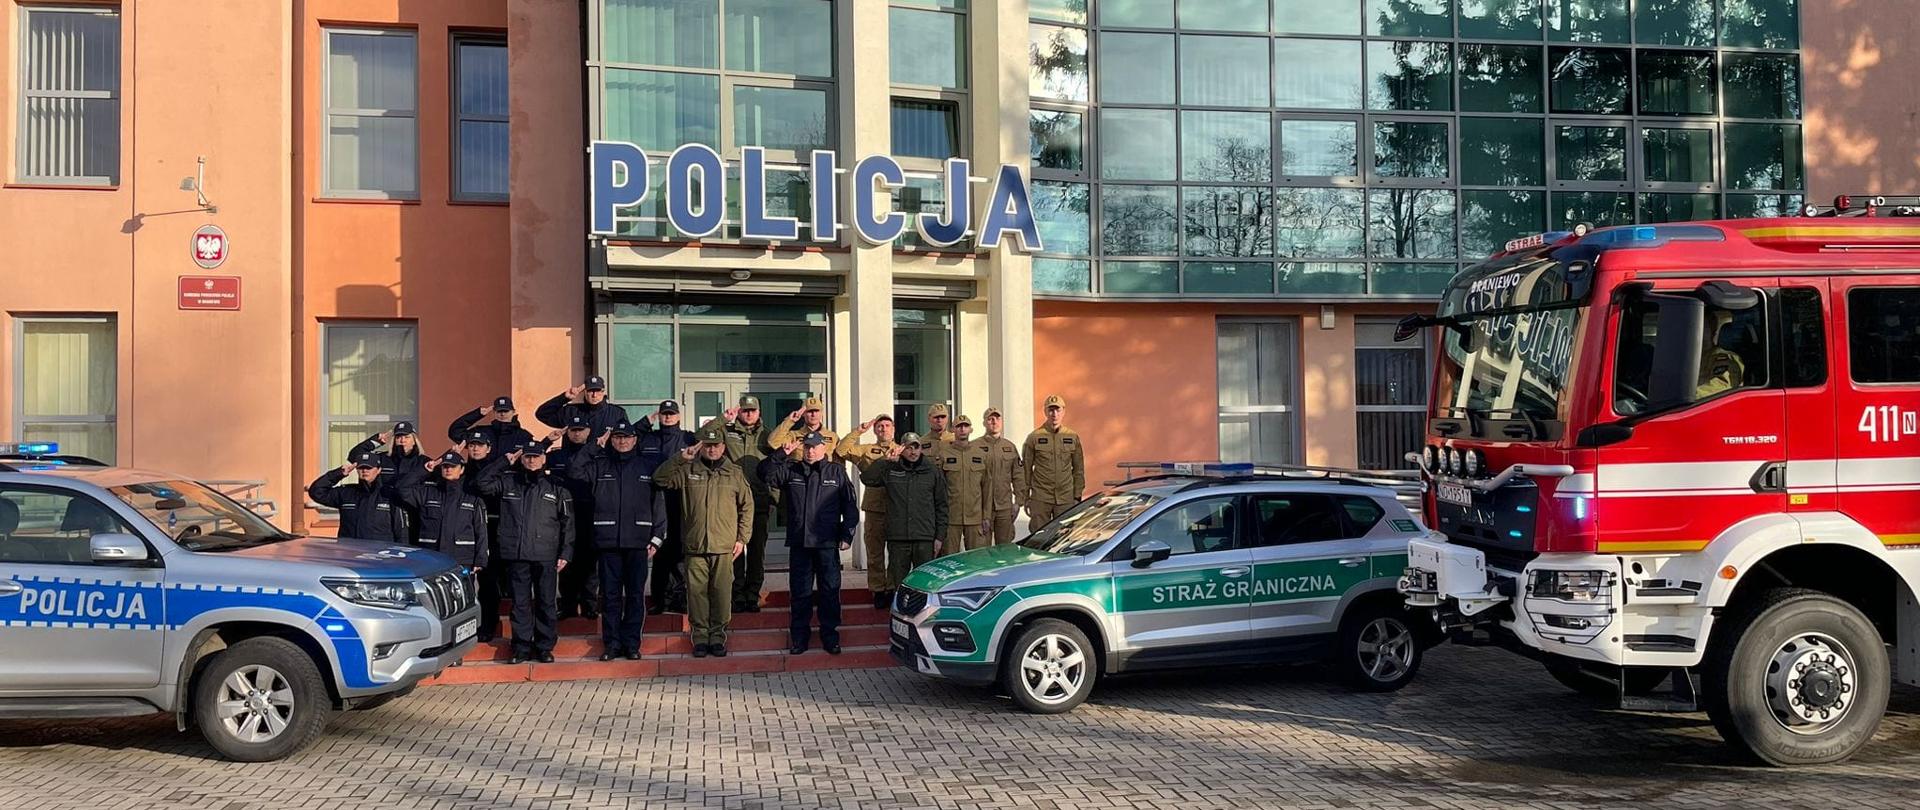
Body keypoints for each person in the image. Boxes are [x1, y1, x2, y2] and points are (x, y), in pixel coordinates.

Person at [566, 419, 669, 661]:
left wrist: (656, 538)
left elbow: (659, 505)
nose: (622, 441)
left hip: (638, 544)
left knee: (634, 596)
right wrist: (594, 445)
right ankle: (611, 644)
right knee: (610, 597)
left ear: (635, 440)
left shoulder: (647, 466)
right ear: (612, 440)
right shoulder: (600, 465)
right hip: (608, 542)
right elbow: (574, 470)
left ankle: (632, 644)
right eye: (618, 437)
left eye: (626, 437)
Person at [654, 426, 753, 658]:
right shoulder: (688, 470)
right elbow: (660, 479)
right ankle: (700, 638)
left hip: (724, 546)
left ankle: (717, 637)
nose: (712, 449)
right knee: (697, 594)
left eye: (716, 445)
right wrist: (681, 457)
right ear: (701, 447)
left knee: (720, 592)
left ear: (723, 447)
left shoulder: (734, 473)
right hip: (695, 544)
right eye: (707, 445)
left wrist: (742, 538)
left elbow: (747, 507)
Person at [473, 442, 575, 665]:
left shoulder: (556, 486)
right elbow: (481, 483)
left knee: (546, 602)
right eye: (527, 457)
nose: (531, 460)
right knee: (520, 604)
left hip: (546, 554)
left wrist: (565, 552)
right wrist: (504, 461)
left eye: (535, 456)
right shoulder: (508, 482)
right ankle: (520, 647)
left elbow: (568, 522)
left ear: (543, 458)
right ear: (522, 458)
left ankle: (544, 647)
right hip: (516, 554)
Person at [760, 433, 859, 655]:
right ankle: (799, 638)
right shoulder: (791, 469)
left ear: (824, 448)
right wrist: (780, 454)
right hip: (800, 543)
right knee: (800, 593)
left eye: (815, 447)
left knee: (829, 591)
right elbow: (764, 474)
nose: (810, 451)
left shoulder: (836, 472)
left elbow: (850, 506)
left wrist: (847, 535)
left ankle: (830, 636)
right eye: (807, 447)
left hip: (826, 543)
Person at [697, 396, 777, 615]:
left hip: (759, 502)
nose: (749, 414)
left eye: (753, 410)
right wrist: (722, 419)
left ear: (759, 412)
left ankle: (752, 595)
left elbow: (777, 466)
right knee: (735, 552)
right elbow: (702, 436)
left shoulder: (768, 434)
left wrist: (774, 498)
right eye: (745, 410)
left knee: (756, 553)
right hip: (730, 503)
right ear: (739, 411)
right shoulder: (726, 431)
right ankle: (737, 595)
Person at [861, 434, 947, 592]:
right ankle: (900, 614)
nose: (913, 451)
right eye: (908, 448)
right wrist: (884, 461)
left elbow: (941, 505)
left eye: (916, 447)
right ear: (901, 449)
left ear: (921, 449)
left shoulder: (932, 471)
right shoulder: (891, 469)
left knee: (925, 584)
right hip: (898, 538)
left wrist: (939, 537)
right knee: (899, 585)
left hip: (924, 538)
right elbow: (867, 479)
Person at [836, 414, 899, 610]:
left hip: (898, 509)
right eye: (880, 426)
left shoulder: (903, 449)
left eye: (887, 426)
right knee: (875, 552)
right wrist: (858, 431)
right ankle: (878, 590)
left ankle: (894, 589)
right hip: (874, 508)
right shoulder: (866, 450)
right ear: (875, 430)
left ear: (894, 428)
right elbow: (841, 450)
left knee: (897, 553)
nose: (883, 429)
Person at [390, 451, 489, 573]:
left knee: (462, 592)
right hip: (431, 557)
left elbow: (481, 530)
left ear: (462, 469)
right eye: (445, 466)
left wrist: (481, 560)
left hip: (462, 559)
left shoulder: (472, 497)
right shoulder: (427, 493)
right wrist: (424, 470)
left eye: (453, 466)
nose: (448, 469)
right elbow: (402, 488)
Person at [543, 416, 600, 620]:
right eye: (573, 430)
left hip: (589, 513)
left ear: (588, 432)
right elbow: (533, 458)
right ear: (567, 432)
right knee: (565, 560)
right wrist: (547, 441)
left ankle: (589, 605)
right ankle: (567, 605)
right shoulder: (557, 456)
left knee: (589, 562)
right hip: (562, 513)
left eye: (581, 430)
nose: (577, 433)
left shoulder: (597, 455)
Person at [460, 430, 511, 641]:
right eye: (472, 444)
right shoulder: (461, 471)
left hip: (495, 530)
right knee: (475, 584)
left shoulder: (498, 471)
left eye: (480, 445)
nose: (475, 448)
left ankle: (493, 624)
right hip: (468, 532)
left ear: (489, 448)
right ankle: (475, 626)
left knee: (495, 581)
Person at [647, 400, 696, 615]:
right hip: (655, 500)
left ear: (678, 415)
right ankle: (660, 599)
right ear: (659, 416)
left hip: (681, 500)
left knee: (679, 553)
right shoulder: (649, 439)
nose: (668, 418)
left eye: (671, 414)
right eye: (664, 414)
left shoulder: (688, 438)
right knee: (660, 552)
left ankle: (680, 598)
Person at [347, 420, 429, 543]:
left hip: (412, 514)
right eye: (399, 437)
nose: (402, 441)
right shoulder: (383, 459)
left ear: (414, 440)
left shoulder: (423, 462)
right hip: (383, 513)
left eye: (407, 437)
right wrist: (375, 441)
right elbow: (355, 456)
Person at [306, 450, 408, 542]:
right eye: (361, 468)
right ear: (356, 470)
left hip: (380, 555)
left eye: (369, 467)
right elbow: (316, 492)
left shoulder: (389, 494)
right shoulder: (346, 493)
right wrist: (338, 473)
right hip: (350, 554)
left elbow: (401, 530)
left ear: (378, 470)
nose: (365, 471)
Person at [1023, 395, 1085, 529]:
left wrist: (1077, 496)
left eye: (1057, 410)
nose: (1054, 414)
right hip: (1041, 497)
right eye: (1051, 410)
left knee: (1063, 537)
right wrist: (1026, 497)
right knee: (1038, 537)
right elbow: (1026, 470)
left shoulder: (1072, 437)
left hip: (1065, 498)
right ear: (1045, 411)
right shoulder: (1034, 437)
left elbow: (1079, 469)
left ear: (1063, 411)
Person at [934, 415, 994, 555]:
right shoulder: (944, 455)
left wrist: (986, 516)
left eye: (965, 426)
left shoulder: (981, 455)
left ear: (971, 429)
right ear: (952, 429)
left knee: (977, 560)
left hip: (975, 518)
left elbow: (987, 487)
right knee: (949, 560)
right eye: (959, 426)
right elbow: (938, 489)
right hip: (951, 518)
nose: (962, 429)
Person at [979, 408, 1026, 546]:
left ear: (1001, 422)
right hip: (981, 507)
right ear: (984, 423)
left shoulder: (1009, 447)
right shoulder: (975, 447)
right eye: (990, 419)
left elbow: (1018, 476)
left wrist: (1018, 502)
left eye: (997, 418)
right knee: (982, 549)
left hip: (1004, 507)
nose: (994, 422)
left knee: (1005, 549)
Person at [535, 375, 630, 439]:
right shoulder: (571, 412)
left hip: (604, 465)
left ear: (603, 391)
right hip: (576, 464)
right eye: (590, 391)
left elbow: (626, 438)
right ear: (584, 392)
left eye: (597, 391)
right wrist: (564, 398)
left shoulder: (617, 413)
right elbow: (542, 414)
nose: (594, 395)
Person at [450, 396, 535, 451]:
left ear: (513, 412)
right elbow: (455, 432)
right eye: (499, 411)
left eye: (506, 411)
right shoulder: (481, 432)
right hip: (481, 478)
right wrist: (476, 415)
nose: (502, 414)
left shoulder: (524, 436)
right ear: (494, 412)